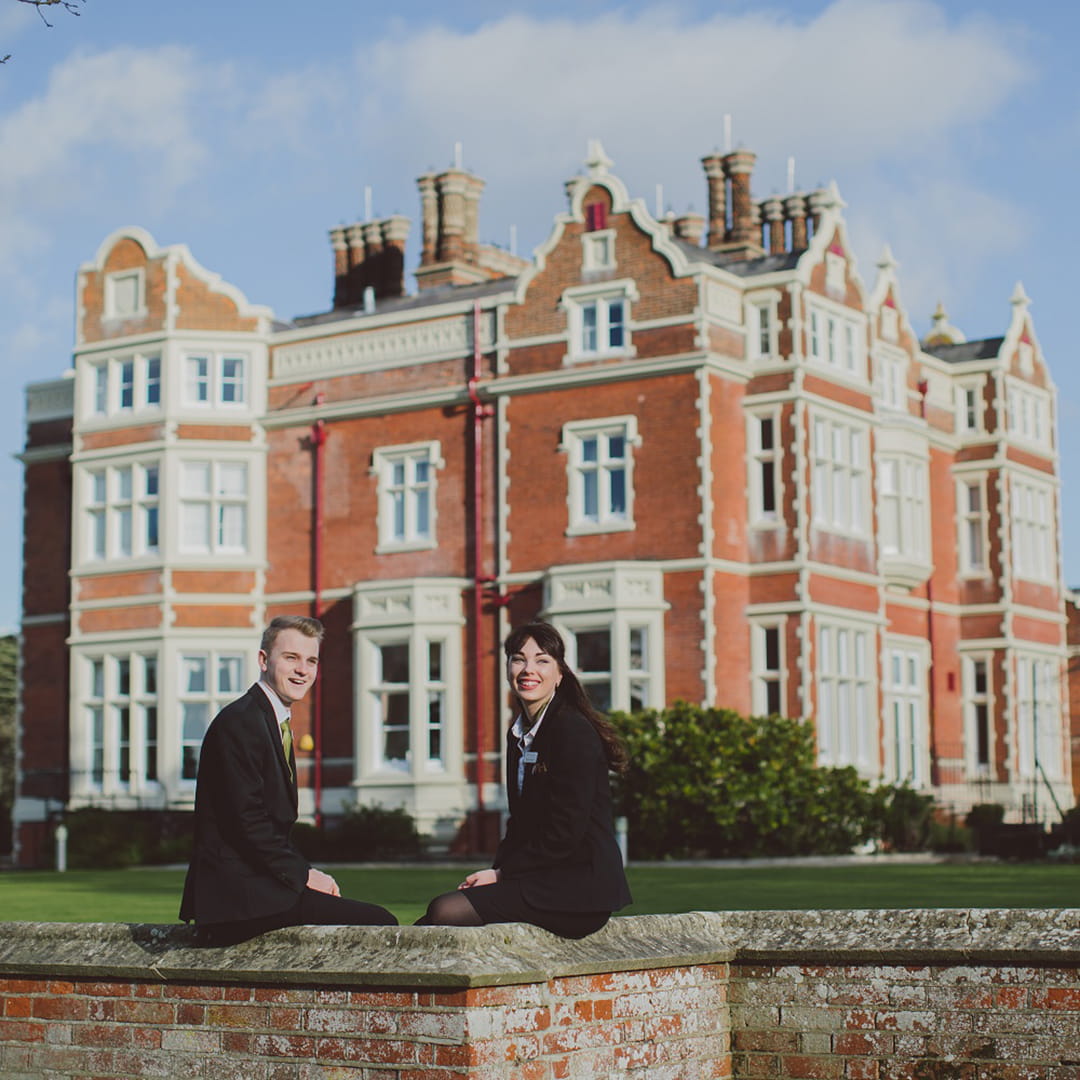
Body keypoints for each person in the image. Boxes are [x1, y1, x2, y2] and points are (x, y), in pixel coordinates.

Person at [180, 615, 396, 944]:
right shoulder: (241, 722)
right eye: (291, 658)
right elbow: (248, 821)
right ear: (264, 660)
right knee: (380, 923)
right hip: (238, 900)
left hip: (259, 888)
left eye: (311, 661)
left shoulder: (270, 719)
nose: (302, 670)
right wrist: (305, 875)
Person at [417, 620, 632, 938]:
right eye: (519, 658)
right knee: (430, 923)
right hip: (541, 877)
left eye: (542, 660)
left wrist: (503, 875)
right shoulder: (519, 734)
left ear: (559, 674)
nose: (528, 669)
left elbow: (565, 830)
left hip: (578, 886)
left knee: (445, 910)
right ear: (507, 668)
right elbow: (520, 824)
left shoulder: (571, 730)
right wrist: (493, 871)